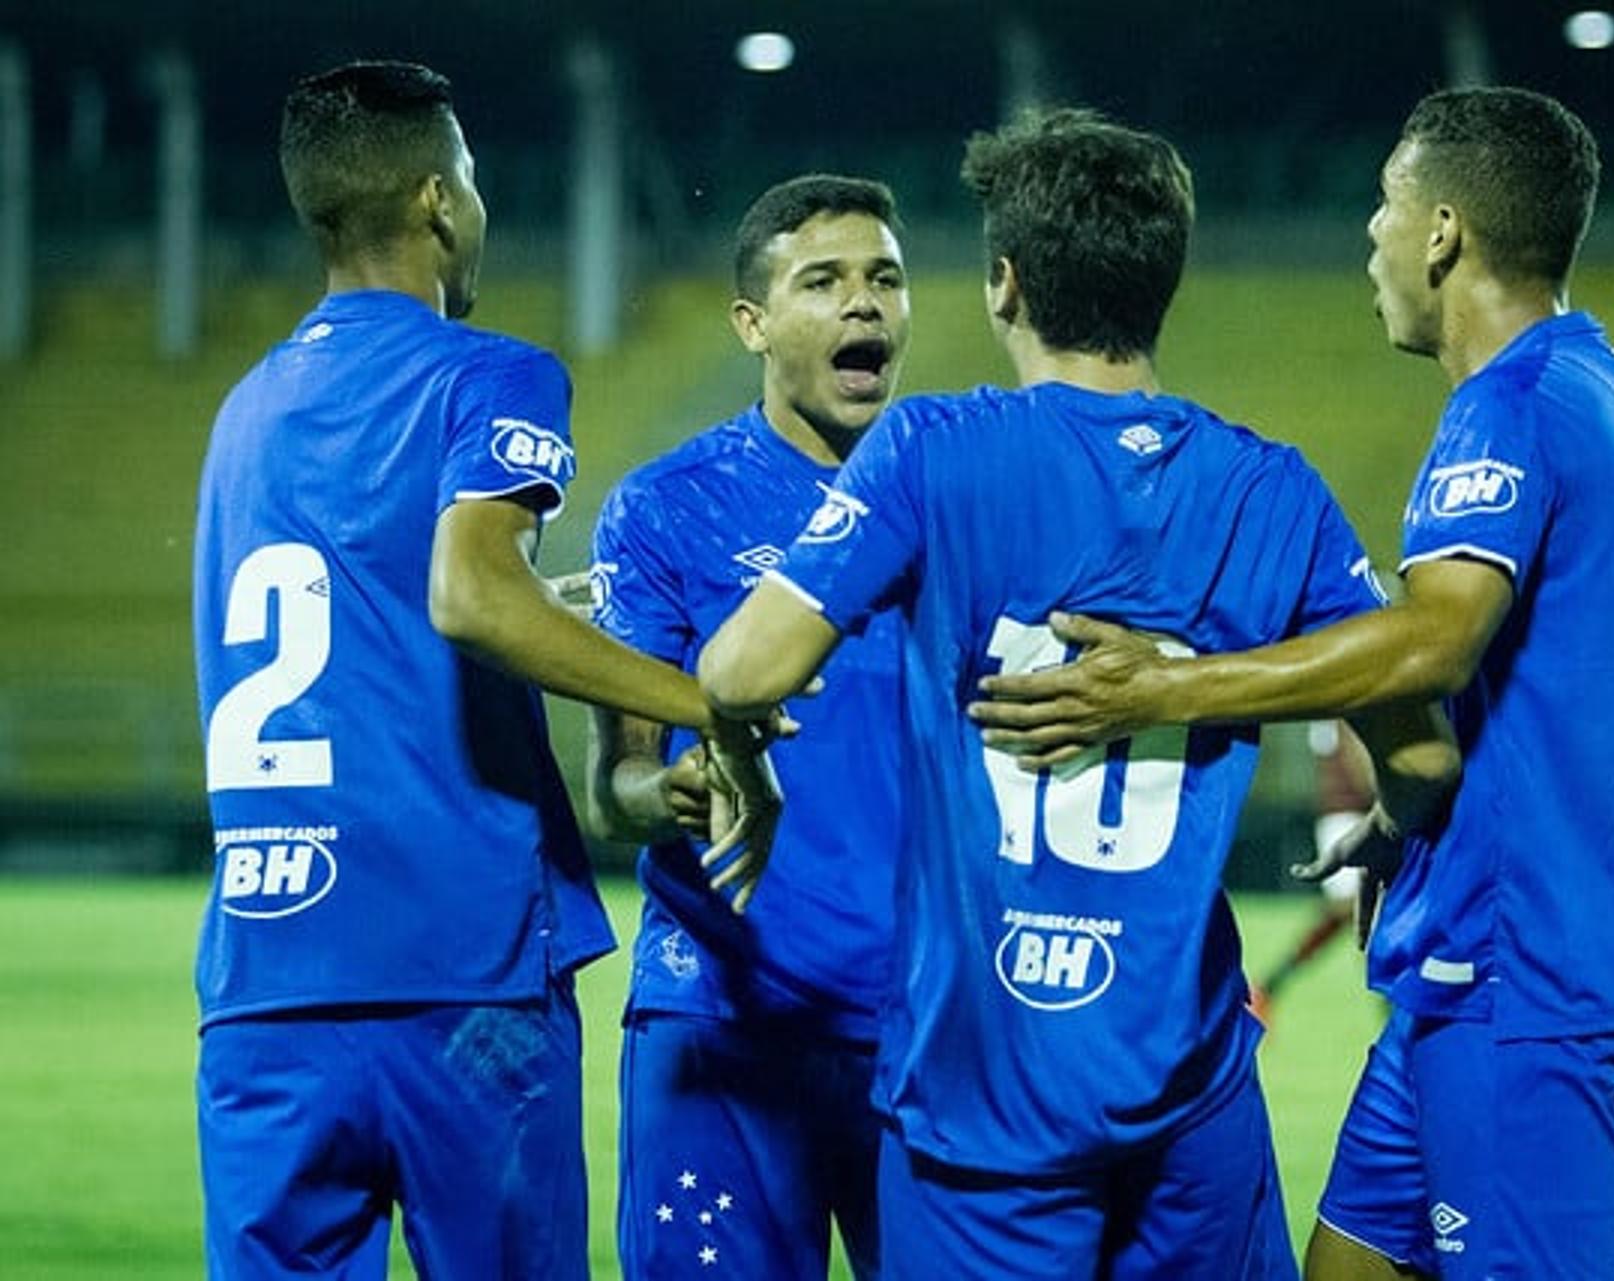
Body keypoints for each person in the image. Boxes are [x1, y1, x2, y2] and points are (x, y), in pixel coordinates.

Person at [968, 87, 1614, 1279]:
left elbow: (1432, 643)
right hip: (1472, 965)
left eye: (1385, 210)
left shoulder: (1504, 408)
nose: (1371, 241)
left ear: (1443, 232)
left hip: (1524, 976)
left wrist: (1162, 689)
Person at [697, 108, 1459, 1281]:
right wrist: (1383, 827)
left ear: (1004, 284)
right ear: (1165, 282)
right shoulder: (1275, 492)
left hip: (980, 1093)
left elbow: (739, 673)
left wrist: (747, 762)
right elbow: (1421, 764)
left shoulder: (929, 451)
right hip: (1189, 1095)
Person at [191, 61, 726, 1280]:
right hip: (462, 981)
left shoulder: (242, 414)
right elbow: (467, 592)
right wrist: (704, 704)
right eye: (475, 183)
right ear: (439, 200)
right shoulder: (486, 374)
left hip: (268, 993)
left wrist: (537, 608)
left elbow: (385, 603)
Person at [584, 174, 911, 1280]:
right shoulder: (667, 506)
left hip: (918, 1024)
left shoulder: (951, 495)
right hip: (719, 1015)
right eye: (822, 281)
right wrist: (666, 793)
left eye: (884, 279)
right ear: (753, 323)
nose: (863, 306)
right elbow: (617, 780)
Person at [1248, 720, 1374, 1025]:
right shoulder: (1352, 701)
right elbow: (1363, 769)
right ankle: (1269, 986)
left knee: (1360, 916)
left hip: (1341, 818)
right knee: (1358, 913)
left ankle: (1269, 986)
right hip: (1350, 819)